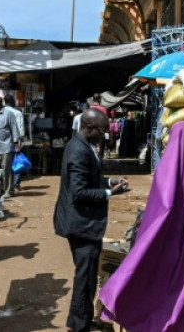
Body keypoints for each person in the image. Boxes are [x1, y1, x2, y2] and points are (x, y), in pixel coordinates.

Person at [99, 120, 184, 332]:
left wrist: (147, 232)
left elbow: (163, 205)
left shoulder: (169, 166)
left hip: (169, 240)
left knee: (159, 287)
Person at [53, 108, 129, 332]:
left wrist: (109, 182)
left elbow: (91, 178)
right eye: (102, 131)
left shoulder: (84, 146)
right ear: (89, 128)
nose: (105, 135)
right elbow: (79, 192)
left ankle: (81, 320)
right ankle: (77, 325)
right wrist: (109, 194)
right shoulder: (78, 150)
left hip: (84, 223)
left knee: (87, 277)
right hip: (80, 224)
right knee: (84, 276)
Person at [0, 96, 20, 198]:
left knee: (6, 169)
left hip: (6, 147)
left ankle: (8, 190)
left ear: (0, 103)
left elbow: (14, 129)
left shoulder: (8, 114)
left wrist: (16, 144)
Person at [3, 95, 26, 191]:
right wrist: (21, 141)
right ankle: (15, 184)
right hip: (15, 141)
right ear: (13, 102)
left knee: (4, 164)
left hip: (3, 141)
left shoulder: (0, 113)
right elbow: (21, 129)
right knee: (16, 162)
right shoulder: (17, 113)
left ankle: (6, 186)